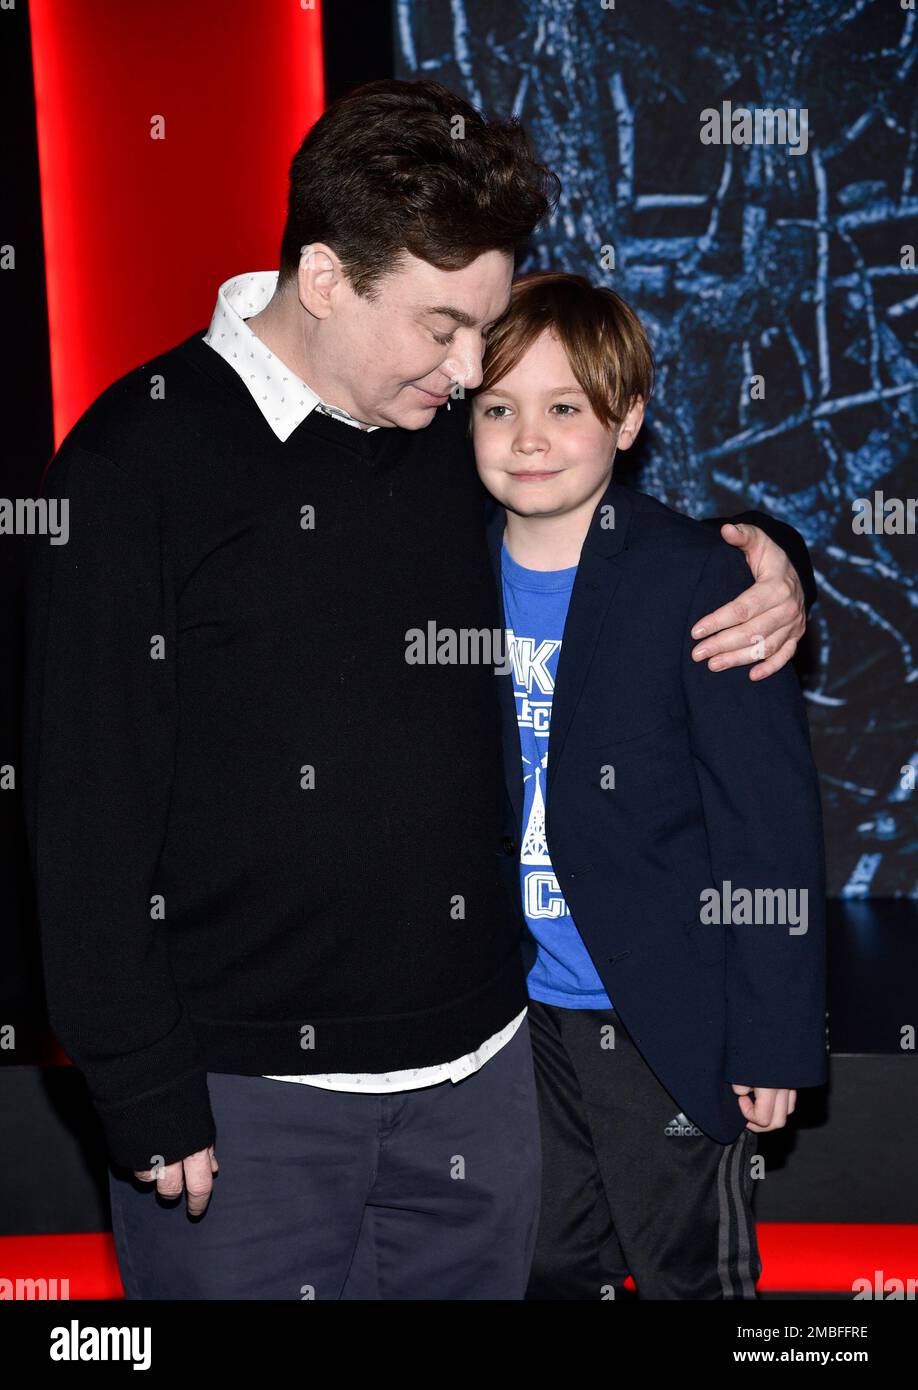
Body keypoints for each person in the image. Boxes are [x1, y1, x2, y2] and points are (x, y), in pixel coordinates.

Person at [23, 80, 814, 1301]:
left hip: (487, 1096)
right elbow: (82, 812)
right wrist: (137, 1082)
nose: (467, 371)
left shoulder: (453, 431)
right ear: (328, 277)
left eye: (481, 335)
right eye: (443, 326)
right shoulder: (136, 462)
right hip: (242, 1114)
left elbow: (617, 523)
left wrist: (774, 559)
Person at [471, 270, 827, 1300]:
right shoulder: (448, 573)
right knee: (543, 1264)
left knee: (690, 1273)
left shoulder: (699, 581)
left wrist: (771, 1032)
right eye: (500, 408)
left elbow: (766, 822)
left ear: (628, 418)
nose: (528, 436)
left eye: (564, 407)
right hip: (513, 1025)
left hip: (665, 1020)